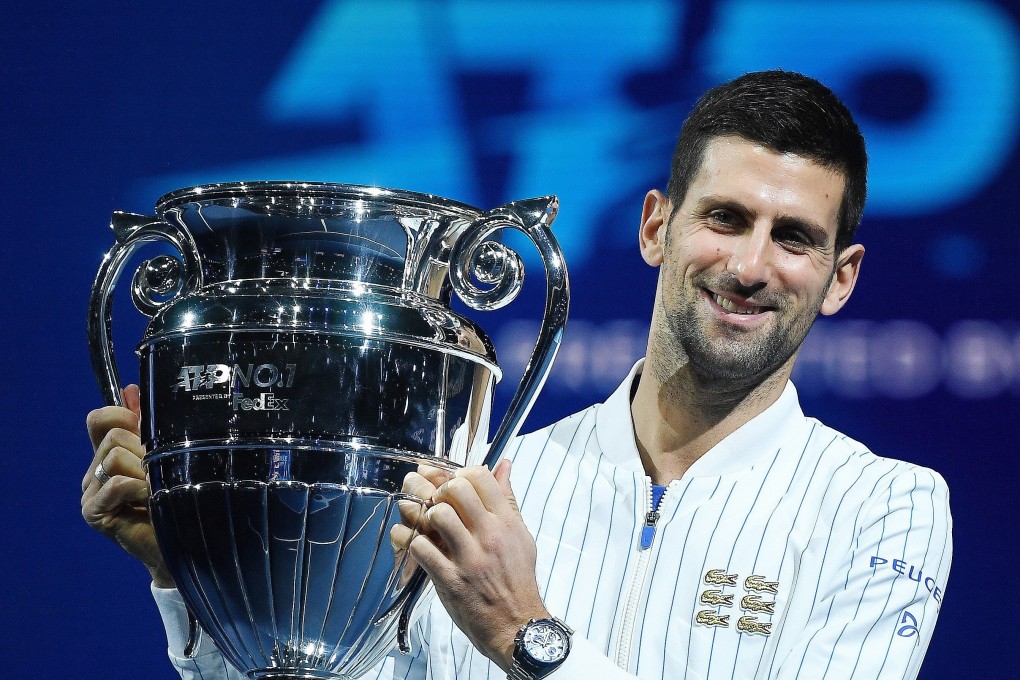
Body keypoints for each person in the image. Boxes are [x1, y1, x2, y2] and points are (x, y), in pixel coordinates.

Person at [83, 70, 952, 679]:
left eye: (794, 236)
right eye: (724, 218)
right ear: (656, 227)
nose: (752, 264)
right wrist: (195, 580)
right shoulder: (485, 485)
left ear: (841, 277)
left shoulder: (885, 506)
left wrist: (525, 633)